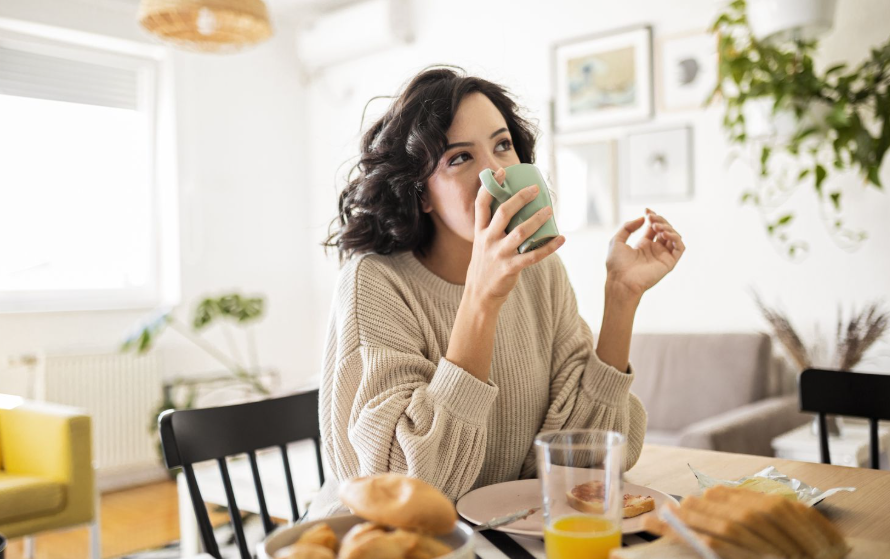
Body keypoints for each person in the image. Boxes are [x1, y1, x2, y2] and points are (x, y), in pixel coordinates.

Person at [308, 67, 685, 518]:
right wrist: (481, 300)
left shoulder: (541, 271)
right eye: (459, 158)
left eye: (502, 145)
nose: (496, 171)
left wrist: (621, 297)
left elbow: (586, 465)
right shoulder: (373, 283)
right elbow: (408, 490)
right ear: (422, 194)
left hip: (501, 535)